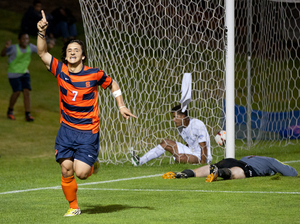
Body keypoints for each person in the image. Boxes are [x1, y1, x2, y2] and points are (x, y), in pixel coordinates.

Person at [37, 11, 137, 217]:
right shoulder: (60, 69)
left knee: (81, 173)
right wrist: (41, 33)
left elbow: (113, 84)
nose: (72, 52)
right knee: (66, 169)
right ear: (65, 55)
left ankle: (92, 165)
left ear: (83, 55)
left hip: (88, 132)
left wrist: (121, 105)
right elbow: (42, 53)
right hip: (66, 130)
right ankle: (74, 207)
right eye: (69, 50)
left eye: (77, 50)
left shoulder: (94, 73)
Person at [131, 105, 212, 166]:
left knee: (180, 158)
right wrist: (187, 153)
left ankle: (191, 162)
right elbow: (188, 142)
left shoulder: (197, 125)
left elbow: (203, 146)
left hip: (201, 156)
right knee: (166, 142)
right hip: (191, 151)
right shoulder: (179, 128)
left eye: (175, 117)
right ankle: (140, 161)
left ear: (183, 117)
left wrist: (203, 165)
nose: (173, 120)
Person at [162, 155, 298, 181]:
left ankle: (186, 173)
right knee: (238, 172)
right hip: (244, 166)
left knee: (210, 167)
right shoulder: (270, 161)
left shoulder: (250, 156)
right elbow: (291, 172)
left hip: (231, 159)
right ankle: (221, 173)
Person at [1, 32, 37, 121]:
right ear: (19, 40)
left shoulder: (31, 47)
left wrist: (50, 46)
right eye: (23, 39)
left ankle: (28, 115)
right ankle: (10, 110)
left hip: (25, 73)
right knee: (16, 92)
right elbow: (2, 54)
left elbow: (43, 51)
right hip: (13, 74)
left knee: (27, 92)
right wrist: (6, 47)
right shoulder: (13, 48)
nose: (25, 41)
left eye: (27, 39)